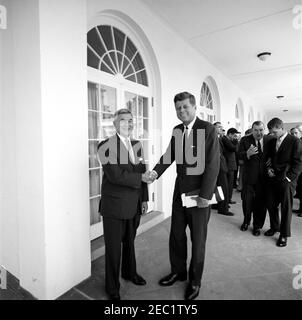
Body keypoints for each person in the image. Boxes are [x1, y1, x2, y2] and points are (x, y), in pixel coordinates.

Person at [147, 92, 219, 300]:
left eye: (185, 107)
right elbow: (169, 155)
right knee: (176, 235)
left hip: (199, 196)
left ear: (195, 107)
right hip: (180, 193)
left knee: (198, 239)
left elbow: (213, 164)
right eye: (178, 108)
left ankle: (195, 281)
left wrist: (206, 195)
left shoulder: (208, 129)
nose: (182, 111)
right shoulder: (178, 130)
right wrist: (155, 172)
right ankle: (178, 272)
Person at [97, 109, 150, 300]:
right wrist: (141, 177)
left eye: (130, 120)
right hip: (114, 206)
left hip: (134, 204)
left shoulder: (136, 145)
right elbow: (115, 175)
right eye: (123, 120)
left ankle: (130, 273)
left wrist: (144, 198)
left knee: (129, 242)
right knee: (113, 249)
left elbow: (142, 172)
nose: (128, 124)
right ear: (115, 124)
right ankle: (112, 287)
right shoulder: (105, 146)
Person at [265, 118, 302, 247]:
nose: (273, 135)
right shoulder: (271, 141)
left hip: (286, 181)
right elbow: (268, 158)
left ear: (281, 128)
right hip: (272, 179)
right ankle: (275, 227)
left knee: (286, 208)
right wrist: (268, 169)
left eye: (275, 132)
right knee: (270, 204)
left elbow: (298, 164)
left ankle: (284, 234)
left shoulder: (295, 141)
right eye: (271, 132)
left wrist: (288, 179)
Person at [238, 121, 272, 235]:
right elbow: (239, 155)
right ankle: (246, 221)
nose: (259, 133)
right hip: (249, 177)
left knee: (261, 204)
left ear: (264, 130)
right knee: (247, 202)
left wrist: (272, 160)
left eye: (261, 130)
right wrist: (247, 154)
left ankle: (257, 226)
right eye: (256, 130)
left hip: (264, 179)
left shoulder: (270, 140)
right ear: (252, 130)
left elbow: (276, 154)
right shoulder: (244, 140)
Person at [213, 122, 234, 216]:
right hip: (218, 166)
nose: (221, 128)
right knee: (223, 188)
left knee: (219, 188)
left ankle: (218, 205)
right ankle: (223, 208)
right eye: (219, 127)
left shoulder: (219, 138)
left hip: (221, 165)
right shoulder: (212, 138)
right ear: (213, 128)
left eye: (222, 127)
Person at [221, 128, 240, 205]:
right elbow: (234, 148)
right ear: (230, 134)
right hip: (228, 165)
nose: (235, 137)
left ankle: (228, 199)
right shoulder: (225, 140)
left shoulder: (229, 140)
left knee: (230, 184)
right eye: (234, 135)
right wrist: (236, 142)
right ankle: (227, 200)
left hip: (231, 164)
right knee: (228, 184)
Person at [292, 125, 302, 217]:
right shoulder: (294, 143)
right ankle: (300, 208)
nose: (294, 135)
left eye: (296, 133)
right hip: (297, 171)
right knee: (300, 190)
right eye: (292, 133)